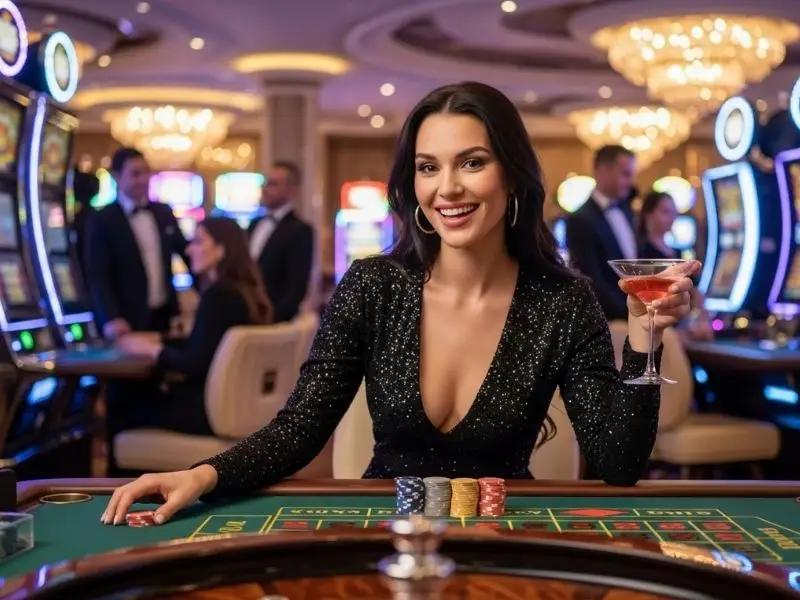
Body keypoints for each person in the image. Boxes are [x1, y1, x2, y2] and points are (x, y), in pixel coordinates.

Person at [101, 82, 698, 526]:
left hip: (502, 539)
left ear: (512, 176)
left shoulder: (563, 301)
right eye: (428, 167)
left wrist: (645, 335)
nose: (448, 188)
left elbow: (618, 463)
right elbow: (299, 430)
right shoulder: (373, 286)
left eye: (472, 162)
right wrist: (203, 475)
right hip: (384, 534)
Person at [112, 217, 273, 436]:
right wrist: (160, 339)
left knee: (121, 401)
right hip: (232, 405)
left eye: (198, 241)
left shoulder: (218, 295)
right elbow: (206, 345)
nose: (188, 250)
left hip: (204, 411)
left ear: (221, 250)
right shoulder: (243, 293)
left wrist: (153, 350)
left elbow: (193, 363)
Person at [84, 147, 190, 339]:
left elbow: (186, 253)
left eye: (146, 172)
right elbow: (98, 274)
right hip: (125, 320)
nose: (143, 179)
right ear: (117, 177)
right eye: (135, 174)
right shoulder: (102, 219)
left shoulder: (164, 213)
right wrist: (110, 317)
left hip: (164, 316)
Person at [566, 145, 639, 321]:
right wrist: (633, 311)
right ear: (603, 170)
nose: (631, 182)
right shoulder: (580, 219)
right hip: (608, 320)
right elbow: (591, 281)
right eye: (625, 174)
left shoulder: (626, 211)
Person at [638, 190, 713, 341]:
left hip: (683, 320)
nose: (671, 218)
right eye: (665, 212)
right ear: (648, 214)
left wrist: (702, 318)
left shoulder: (676, 251)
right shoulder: (641, 251)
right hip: (658, 325)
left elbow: (694, 290)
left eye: (674, 213)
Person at [249, 161, 314, 322]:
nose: (265, 189)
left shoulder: (300, 230)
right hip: (247, 314)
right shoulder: (254, 224)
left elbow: (296, 288)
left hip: (274, 321)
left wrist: (272, 320)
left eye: (273, 184)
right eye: (265, 183)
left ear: (292, 190)